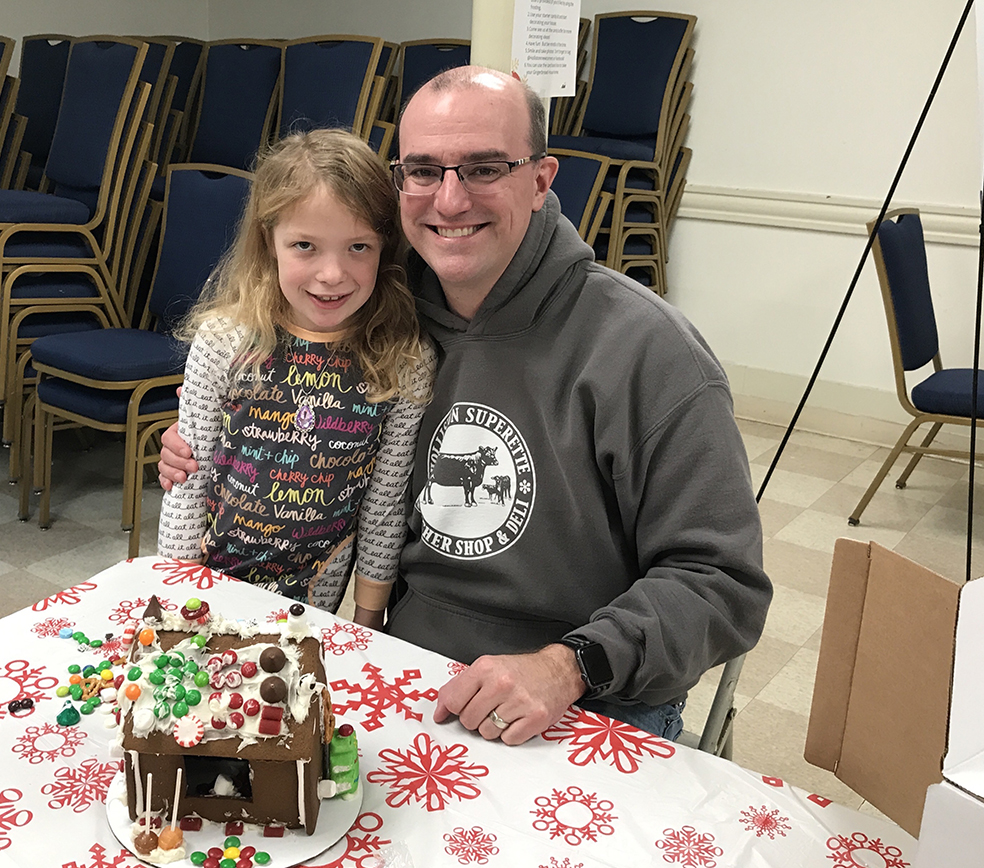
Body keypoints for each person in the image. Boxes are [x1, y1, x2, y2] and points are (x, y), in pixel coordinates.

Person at [159, 68, 772, 746]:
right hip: (405, 658)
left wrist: (568, 665)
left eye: (483, 167)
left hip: (589, 695)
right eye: (423, 170)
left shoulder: (650, 352)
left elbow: (723, 583)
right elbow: (284, 398)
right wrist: (210, 436)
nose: (449, 199)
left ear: (541, 179)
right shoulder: (379, 318)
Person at [158, 129, 436, 630]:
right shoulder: (224, 340)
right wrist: (177, 595)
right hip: (205, 588)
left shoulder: (403, 359)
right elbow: (186, 480)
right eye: (305, 245)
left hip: (313, 606)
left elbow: (384, 503)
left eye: (358, 247)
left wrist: (369, 618)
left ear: (384, 247)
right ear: (270, 240)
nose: (332, 274)